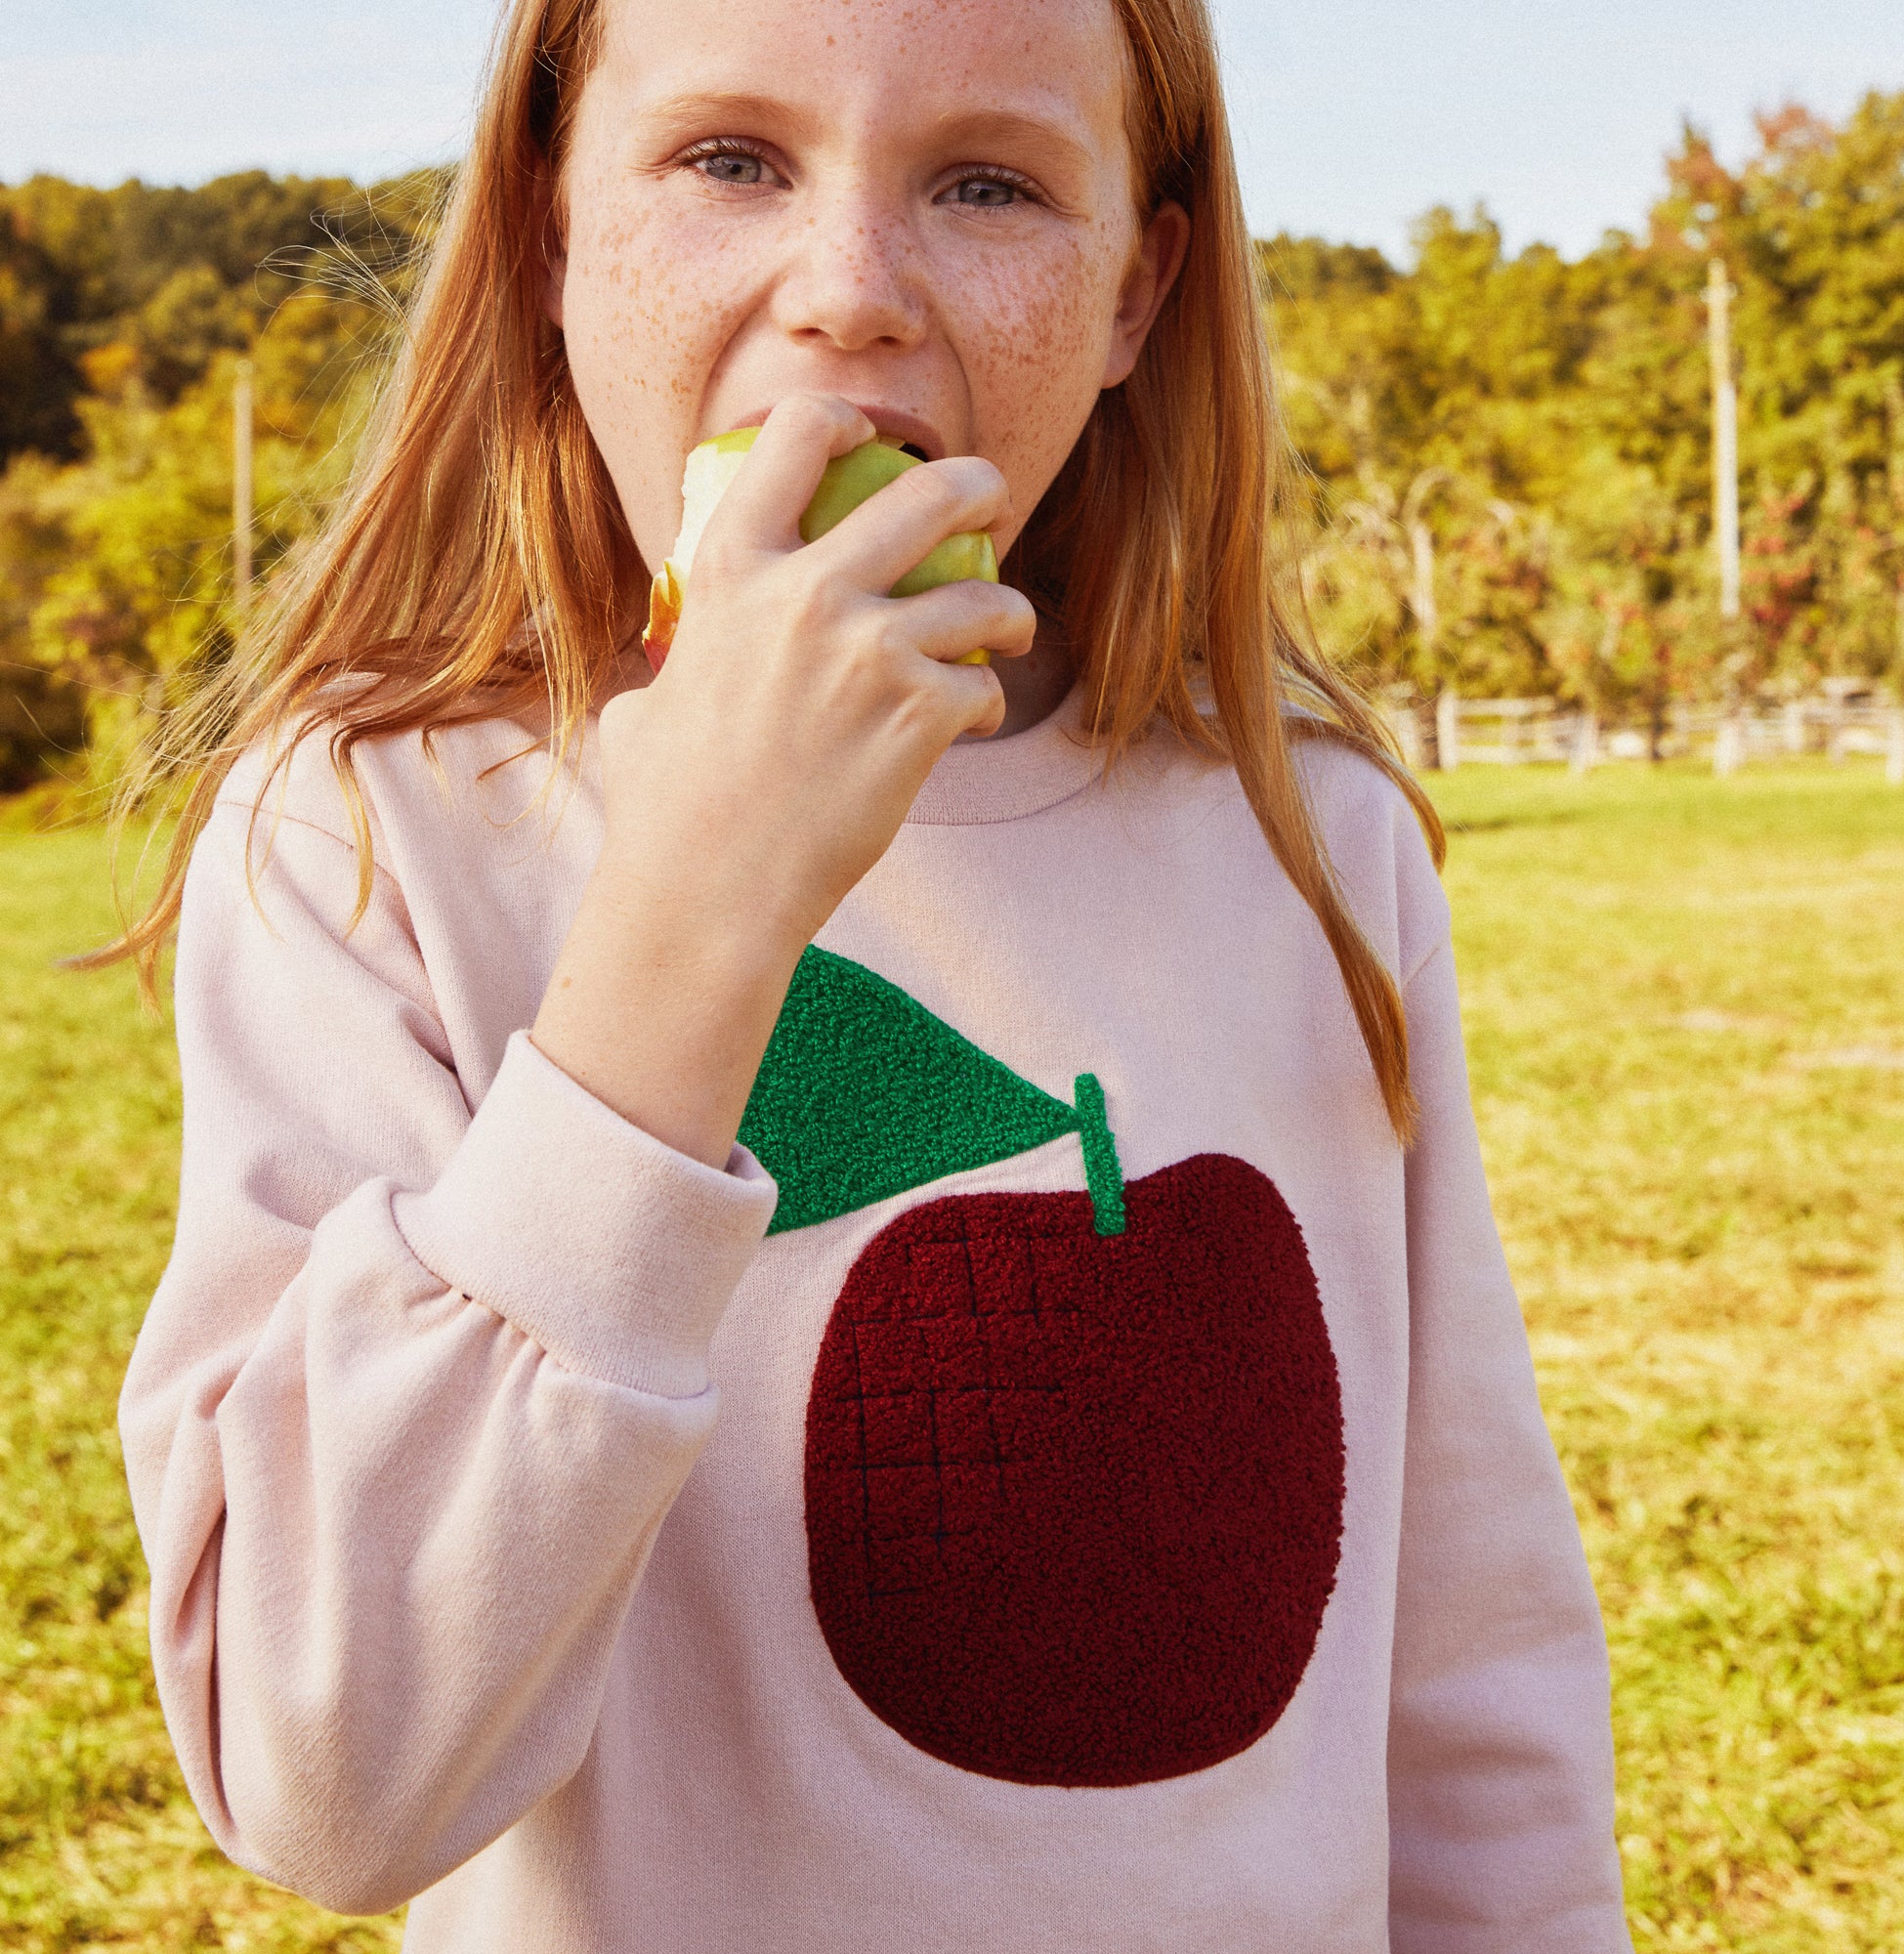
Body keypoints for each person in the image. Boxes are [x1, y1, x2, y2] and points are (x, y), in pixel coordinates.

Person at [113, 0, 1632, 1946]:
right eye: (728, 159)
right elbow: (327, 1779)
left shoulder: (1308, 841)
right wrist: (692, 914)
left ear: (1131, 295)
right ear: (548, 228)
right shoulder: (371, 835)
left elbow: (1467, 1667)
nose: (848, 293)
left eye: (988, 183)